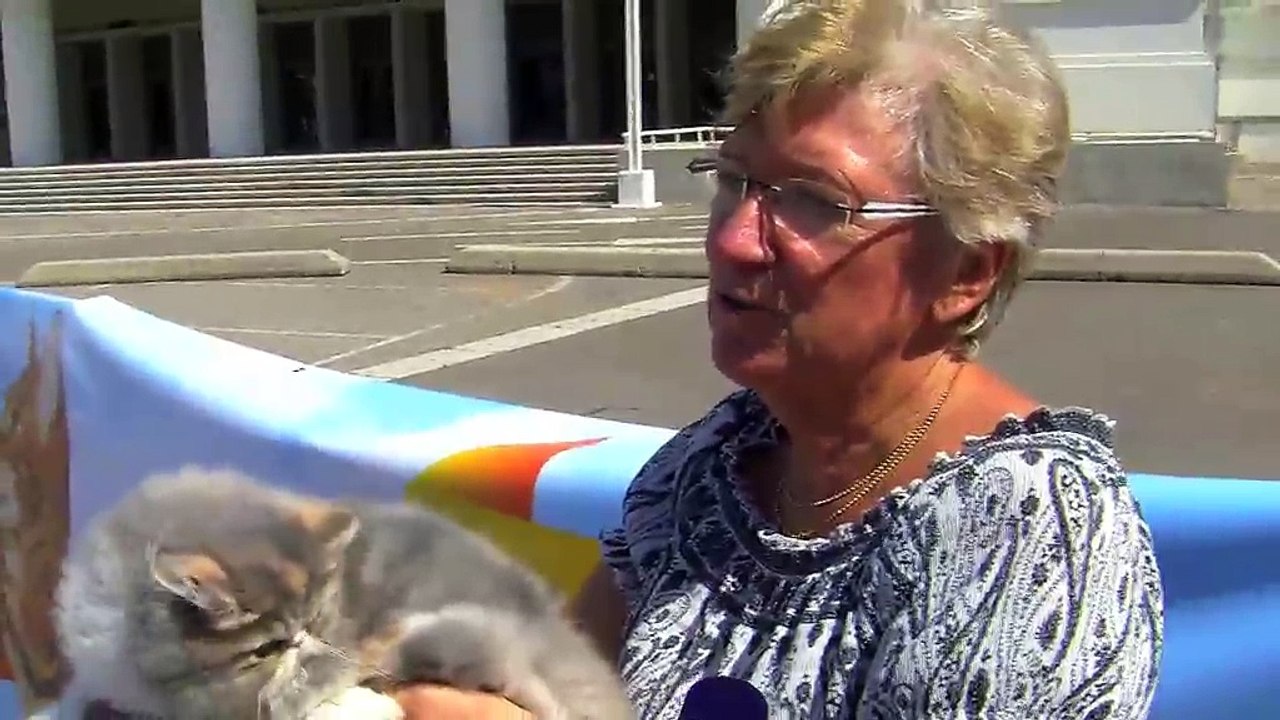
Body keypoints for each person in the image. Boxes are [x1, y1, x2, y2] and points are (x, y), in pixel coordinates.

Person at [400, 0, 1165, 717]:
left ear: (967, 272)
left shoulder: (1031, 532)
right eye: (736, 181)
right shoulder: (708, 471)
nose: (734, 239)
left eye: (813, 202)